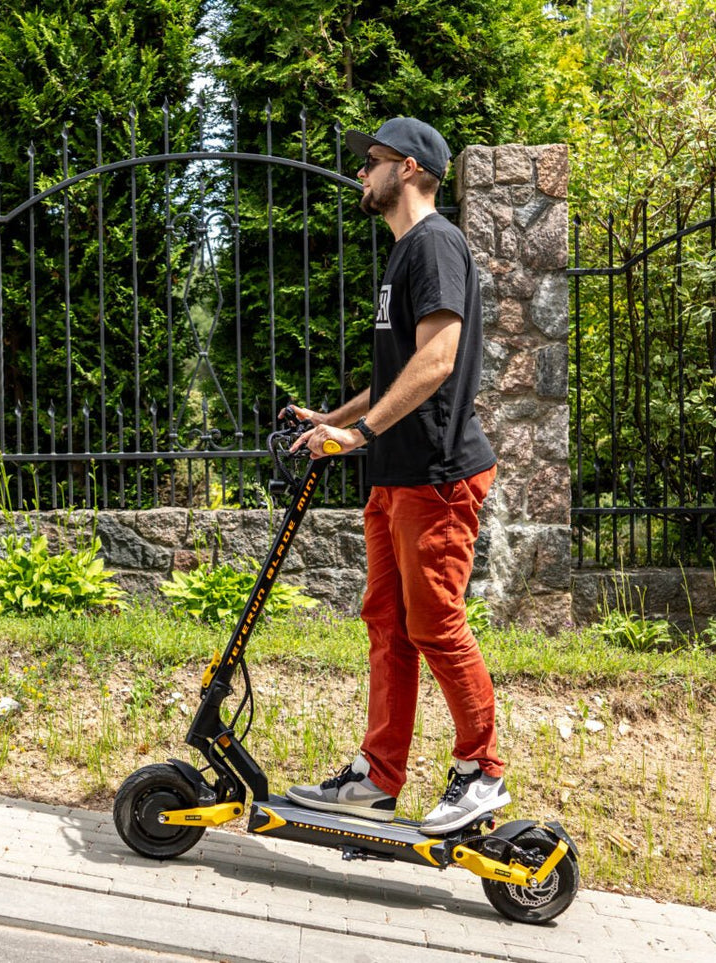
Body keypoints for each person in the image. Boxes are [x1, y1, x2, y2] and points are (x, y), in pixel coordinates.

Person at [282, 117, 505, 835]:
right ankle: (377, 776)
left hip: (436, 475)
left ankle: (481, 771)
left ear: (406, 169)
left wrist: (361, 433)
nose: (359, 174)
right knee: (387, 623)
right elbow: (397, 374)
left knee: (436, 625)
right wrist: (334, 419)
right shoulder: (405, 251)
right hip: (394, 474)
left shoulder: (435, 244)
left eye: (369, 162)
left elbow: (438, 361)